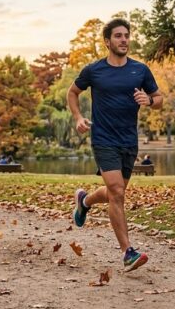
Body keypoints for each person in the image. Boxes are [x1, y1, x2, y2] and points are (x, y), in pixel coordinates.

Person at [68, 18, 162, 272]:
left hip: (128, 141)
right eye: (118, 36)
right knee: (118, 191)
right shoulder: (94, 70)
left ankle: (84, 201)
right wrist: (78, 117)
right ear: (108, 41)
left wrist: (149, 101)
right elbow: (72, 92)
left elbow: (159, 98)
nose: (124, 40)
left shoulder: (140, 70)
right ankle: (127, 252)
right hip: (103, 139)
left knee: (113, 194)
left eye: (127, 36)